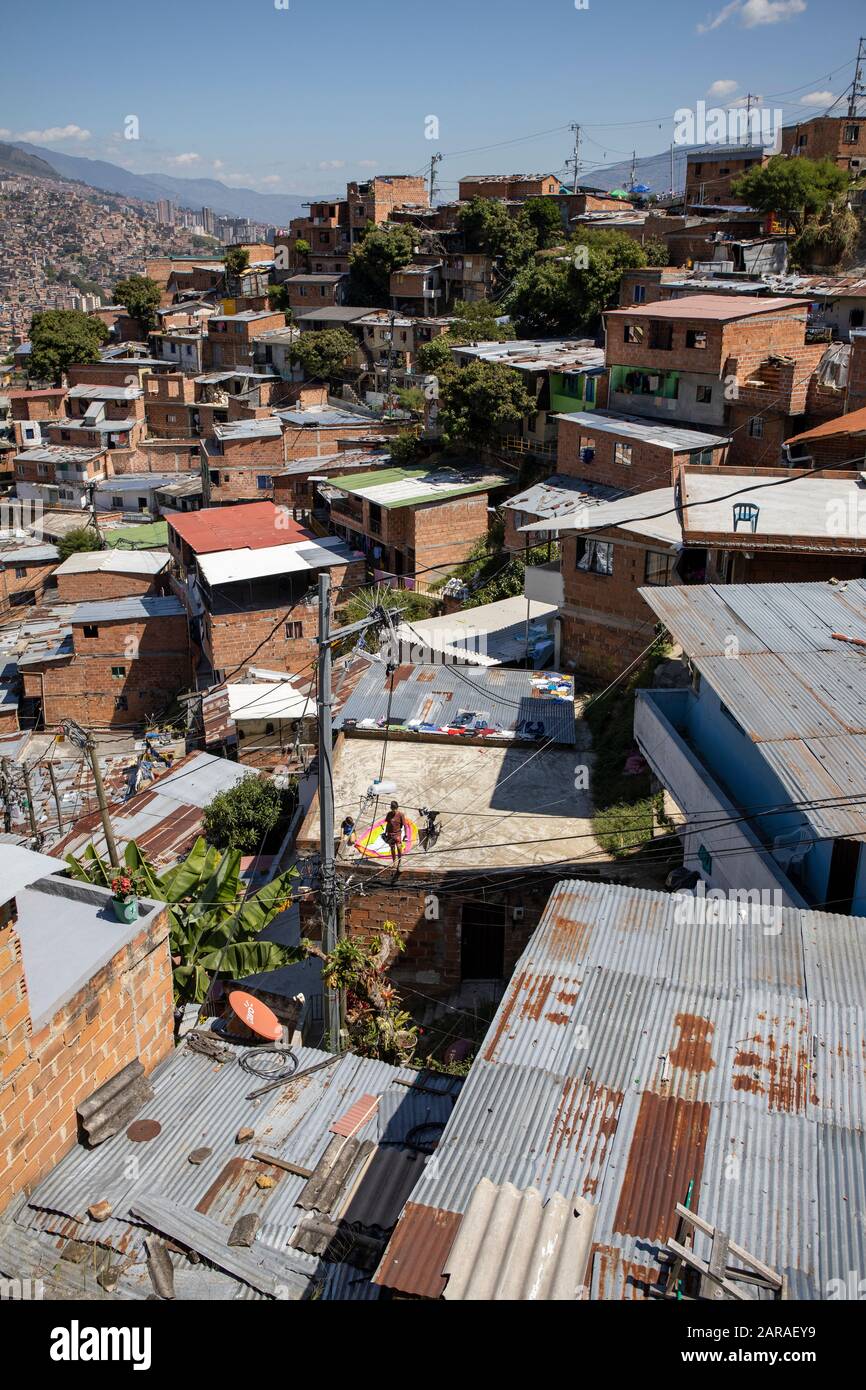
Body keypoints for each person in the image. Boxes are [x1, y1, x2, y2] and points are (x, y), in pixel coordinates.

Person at [383, 800, 407, 866]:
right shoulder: (389, 814)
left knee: (399, 848)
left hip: (397, 834)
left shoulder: (401, 815)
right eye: (393, 809)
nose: (394, 811)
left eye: (395, 809)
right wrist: (385, 832)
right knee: (392, 848)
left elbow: (405, 825)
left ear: (397, 808)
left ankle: (400, 862)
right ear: (391, 808)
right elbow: (388, 823)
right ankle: (394, 863)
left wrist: (406, 835)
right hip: (390, 834)